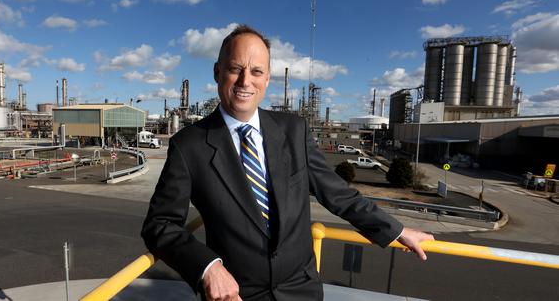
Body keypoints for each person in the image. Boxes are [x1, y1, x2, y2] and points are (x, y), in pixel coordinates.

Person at [141, 25, 433, 301]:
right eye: (235, 69)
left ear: (267, 79)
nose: (246, 81)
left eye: (256, 71)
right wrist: (208, 268)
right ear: (218, 72)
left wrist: (397, 230)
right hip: (235, 293)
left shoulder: (294, 130)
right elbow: (160, 224)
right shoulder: (189, 146)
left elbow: (336, 193)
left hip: (300, 289)